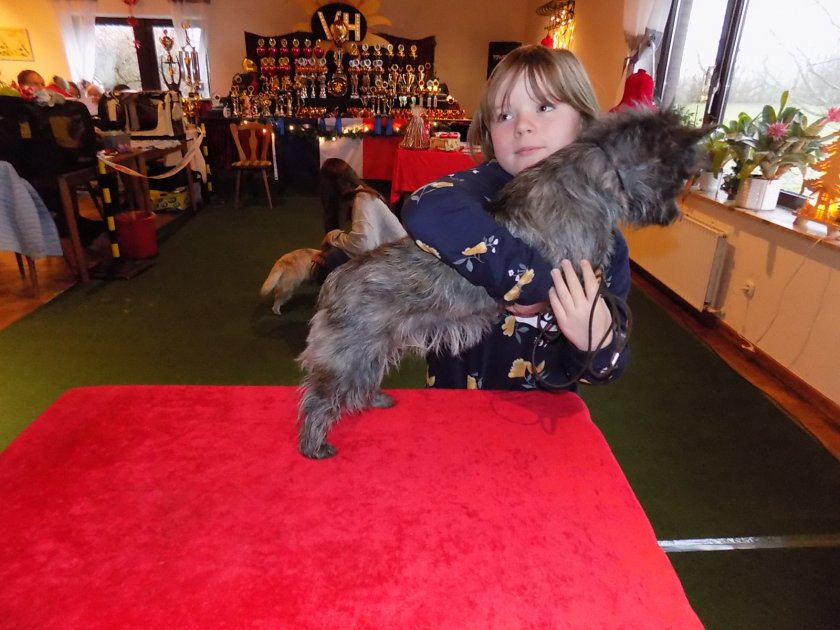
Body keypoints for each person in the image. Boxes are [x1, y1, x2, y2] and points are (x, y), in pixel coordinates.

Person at [401, 45, 630, 391]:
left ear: (583, 122)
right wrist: (536, 284)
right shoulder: (481, 191)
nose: (522, 126)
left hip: (542, 412)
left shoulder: (604, 243)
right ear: (489, 132)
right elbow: (423, 208)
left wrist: (594, 336)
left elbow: (603, 369)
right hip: (454, 401)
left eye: (545, 106)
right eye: (504, 115)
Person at [312, 158, 407, 284]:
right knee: (331, 257)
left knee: (329, 261)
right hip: (395, 258)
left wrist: (332, 236)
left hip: (397, 266)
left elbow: (362, 245)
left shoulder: (362, 200)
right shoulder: (363, 196)